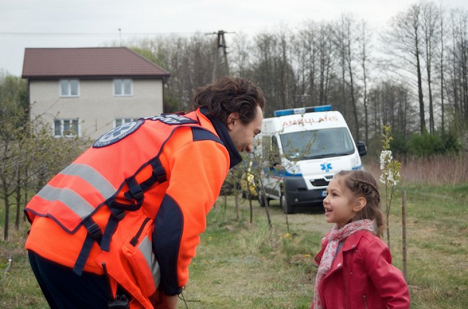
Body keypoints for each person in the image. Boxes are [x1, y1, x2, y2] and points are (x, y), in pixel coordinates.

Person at [24, 76, 265, 309]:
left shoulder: (163, 126)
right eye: (254, 133)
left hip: (47, 237)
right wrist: (172, 291)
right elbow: (177, 230)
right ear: (233, 120)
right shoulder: (206, 146)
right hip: (84, 254)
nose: (251, 146)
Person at [312, 169, 410, 309]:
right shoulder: (331, 243)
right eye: (327, 193)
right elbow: (323, 292)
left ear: (358, 204)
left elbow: (397, 294)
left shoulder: (369, 247)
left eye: (334, 195)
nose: (325, 200)